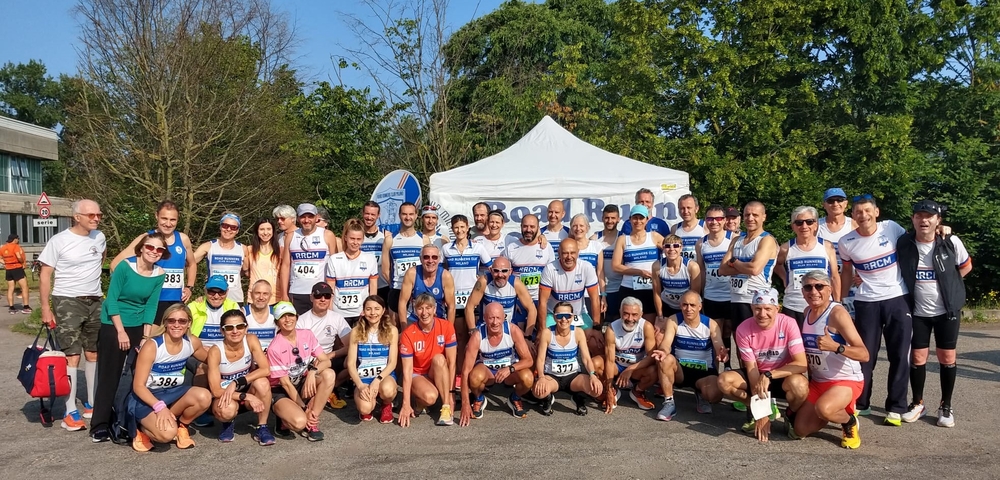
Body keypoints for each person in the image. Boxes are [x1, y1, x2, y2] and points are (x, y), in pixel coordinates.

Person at [837, 195, 912, 424]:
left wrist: (941, 230)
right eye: (858, 212)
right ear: (853, 215)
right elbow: (847, 272)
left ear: (876, 212)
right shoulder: (846, 242)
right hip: (866, 302)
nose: (863, 216)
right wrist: (839, 300)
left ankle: (896, 407)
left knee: (899, 355)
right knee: (864, 356)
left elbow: (917, 243)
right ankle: (861, 402)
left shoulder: (892, 228)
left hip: (897, 298)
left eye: (868, 211)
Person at [898, 199, 972, 427]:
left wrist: (951, 287)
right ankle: (918, 403)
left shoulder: (950, 241)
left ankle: (946, 406)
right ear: (913, 219)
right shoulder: (904, 243)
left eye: (929, 216)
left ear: (938, 220)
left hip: (946, 312)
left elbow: (966, 266)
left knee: (947, 358)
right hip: (918, 311)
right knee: (918, 358)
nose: (924, 220)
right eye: (919, 216)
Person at [89, 233, 166, 442]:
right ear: (141, 248)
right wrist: (120, 331)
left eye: (159, 250)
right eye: (150, 247)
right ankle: (100, 423)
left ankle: (127, 420)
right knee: (110, 375)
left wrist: (145, 336)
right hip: (114, 323)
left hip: (138, 325)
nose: (154, 252)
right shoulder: (125, 267)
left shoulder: (160, 273)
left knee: (136, 375)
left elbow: (151, 305)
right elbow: (111, 299)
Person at [38, 199, 106, 431]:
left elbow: (100, 259)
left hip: (95, 300)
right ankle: (70, 410)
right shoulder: (59, 240)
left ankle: (92, 403)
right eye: (91, 215)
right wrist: (46, 308)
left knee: (93, 352)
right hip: (67, 300)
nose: (96, 218)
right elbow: (45, 274)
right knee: (72, 355)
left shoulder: (100, 237)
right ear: (77, 217)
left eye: (99, 215)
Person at [789, 271, 868, 449]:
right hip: (819, 382)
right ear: (802, 292)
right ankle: (835, 409)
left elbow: (864, 354)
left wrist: (836, 347)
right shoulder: (807, 311)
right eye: (808, 287)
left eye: (819, 286)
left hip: (846, 380)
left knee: (824, 409)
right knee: (800, 430)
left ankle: (849, 422)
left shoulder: (837, 314)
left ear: (830, 289)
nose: (814, 291)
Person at [717, 288, 808, 442]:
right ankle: (753, 408)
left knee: (800, 385)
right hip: (757, 374)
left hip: (781, 374)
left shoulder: (789, 323)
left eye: (767, 309)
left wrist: (769, 375)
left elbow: (801, 364)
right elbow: (751, 369)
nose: (762, 314)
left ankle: (790, 414)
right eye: (757, 309)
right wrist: (761, 410)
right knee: (724, 381)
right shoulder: (743, 329)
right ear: (752, 308)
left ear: (777, 309)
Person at [127, 304, 211, 451]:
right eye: (171, 321)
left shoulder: (192, 342)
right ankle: (141, 429)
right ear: (165, 323)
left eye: (182, 321)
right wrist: (159, 407)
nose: (176, 325)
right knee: (166, 435)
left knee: (204, 396)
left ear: (189, 323)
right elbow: (138, 386)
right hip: (146, 397)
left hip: (173, 393)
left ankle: (182, 426)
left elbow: (212, 360)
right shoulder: (152, 346)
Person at [111, 200, 197, 323]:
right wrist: (135, 289)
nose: (168, 224)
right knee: (149, 339)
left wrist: (189, 287)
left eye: (172, 220)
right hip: (151, 301)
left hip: (176, 300)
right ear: (156, 216)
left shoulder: (183, 239)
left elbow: (192, 263)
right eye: (164, 218)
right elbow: (115, 264)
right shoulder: (146, 238)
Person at [266, 301, 336, 441]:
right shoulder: (274, 347)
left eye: (290, 315)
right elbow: (285, 384)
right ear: (277, 322)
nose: (287, 320)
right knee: (299, 422)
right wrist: (305, 408)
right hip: (281, 390)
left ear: (296, 317)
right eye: (282, 316)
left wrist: (312, 371)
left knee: (329, 374)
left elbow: (326, 361)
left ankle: (312, 422)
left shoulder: (307, 335)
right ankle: (286, 418)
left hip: (301, 382)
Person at [458, 302, 535, 425]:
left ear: (504, 317)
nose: (495, 322)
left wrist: (510, 369)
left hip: (509, 372)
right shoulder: (477, 336)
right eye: (491, 318)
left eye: (498, 318)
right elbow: (465, 370)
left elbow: (528, 360)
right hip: (487, 372)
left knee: (528, 378)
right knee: (474, 377)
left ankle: (515, 398)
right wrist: (465, 404)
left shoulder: (513, 330)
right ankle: (478, 398)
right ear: (484, 318)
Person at [205, 309, 275, 445]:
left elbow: (265, 369)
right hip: (227, 396)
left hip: (247, 389)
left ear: (246, 327)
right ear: (222, 331)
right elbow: (215, 390)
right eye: (229, 328)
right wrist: (246, 396)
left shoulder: (251, 339)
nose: (235, 331)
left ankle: (262, 427)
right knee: (227, 410)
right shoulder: (215, 351)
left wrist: (237, 382)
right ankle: (227, 423)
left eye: (240, 326)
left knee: (263, 383)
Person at [657, 292, 728, 420]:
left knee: (715, 395)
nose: (688, 309)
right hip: (680, 371)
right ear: (680, 305)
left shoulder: (711, 324)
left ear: (700, 307)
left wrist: (721, 354)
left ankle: (700, 392)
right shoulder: (674, 320)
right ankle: (669, 403)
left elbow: (719, 346)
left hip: (704, 372)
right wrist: (662, 350)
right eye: (685, 305)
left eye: (692, 305)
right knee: (665, 359)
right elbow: (666, 343)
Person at [594, 296, 664, 414]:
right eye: (626, 314)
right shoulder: (612, 328)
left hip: (637, 368)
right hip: (617, 366)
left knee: (657, 368)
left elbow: (651, 357)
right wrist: (609, 388)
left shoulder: (646, 327)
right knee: (595, 363)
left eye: (634, 314)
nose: (630, 318)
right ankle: (612, 391)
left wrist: (631, 369)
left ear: (641, 314)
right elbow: (610, 361)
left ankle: (637, 392)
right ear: (620, 312)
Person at [718, 201, 778, 340]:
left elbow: (755, 269)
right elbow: (722, 269)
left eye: (755, 215)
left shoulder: (766, 240)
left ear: (764, 217)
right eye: (747, 215)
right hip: (736, 298)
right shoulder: (736, 240)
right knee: (739, 341)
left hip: (756, 299)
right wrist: (745, 266)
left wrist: (734, 262)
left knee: (756, 343)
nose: (750, 218)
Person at [533, 302, 603, 416]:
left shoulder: (578, 332)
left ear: (573, 317)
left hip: (573, 376)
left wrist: (593, 375)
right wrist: (541, 377)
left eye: (568, 316)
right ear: (555, 317)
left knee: (596, 390)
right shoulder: (547, 332)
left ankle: (578, 398)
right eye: (559, 316)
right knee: (538, 392)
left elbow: (586, 359)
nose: (564, 319)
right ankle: (547, 399)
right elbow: (540, 359)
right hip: (552, 376)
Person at [399, 293, 458, 427]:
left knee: (439, 358)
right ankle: (419, 401)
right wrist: (406, 404)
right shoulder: (408, 333)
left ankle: (446, 407)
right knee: (430, 397)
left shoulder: (447, 326)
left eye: (428, 308)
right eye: (420, 308)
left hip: (435, 370)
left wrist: (452, 394)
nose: (424, 312)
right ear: (415, 311)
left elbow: (452, 363)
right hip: (417, 373)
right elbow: (407, 371)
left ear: (435, 309)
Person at [775, 206, 840, 329]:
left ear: (816, 225)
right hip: (794, 306)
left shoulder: (826, 246)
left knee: (822, 345)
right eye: (799, 222)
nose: (804, 226)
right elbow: (776, 265)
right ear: (793, 226)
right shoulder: (785, 248)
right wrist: (784, 278)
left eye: (809, 222)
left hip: (822, 306)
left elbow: (835, 276)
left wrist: (837, 304)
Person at [295, 282, 352, 409]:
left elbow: (350, 346)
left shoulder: (336, 318)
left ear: (331, 298)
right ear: (311, 297)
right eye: (318, 296)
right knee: (325, 370)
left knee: (353, 360)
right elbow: (297, 350)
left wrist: (330, 355)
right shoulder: (302, 321)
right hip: (309, 360)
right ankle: (320, 392)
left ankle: (331, 389)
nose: (322, 299)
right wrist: (316, 358)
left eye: (326, 296)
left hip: (328, 357)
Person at [279, 203, 339, 314]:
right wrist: (284, 294)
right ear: (298, 218)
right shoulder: (291, 236)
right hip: (297, 292)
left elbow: (335, 267)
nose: (306, 220)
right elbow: (285, 266)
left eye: (310, 216)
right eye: (303, 217)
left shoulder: (327, 235)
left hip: (321, 293)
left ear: (316, 218)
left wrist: (333, 292)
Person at [346, 295, 398, 423]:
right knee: (365, 409)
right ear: (363, 311)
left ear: (383, 310)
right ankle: (369, 401)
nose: (373, 313)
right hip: (363, 378)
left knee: (387, 391)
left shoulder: (392, 330)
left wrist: (377, 380)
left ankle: (386, 405)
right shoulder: (355, 331)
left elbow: (392, 363)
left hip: (384, 376)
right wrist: (360, 385)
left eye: (377, 309)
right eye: (368, 309)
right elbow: (351, 364)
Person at [696, 204, 735, 367]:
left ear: (724, 220)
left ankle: (728, 366)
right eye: (710, 219)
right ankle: (713, 368)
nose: (714, 222)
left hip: (732, 294)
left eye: (718, 218)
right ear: (706, 221)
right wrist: (699, 294)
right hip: (712, 295)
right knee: (714, 332)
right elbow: (701, 271)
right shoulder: (701, 243)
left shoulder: (734, 239)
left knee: (730, 331)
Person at [505, 214, 555, 333]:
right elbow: (504, 276)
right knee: (518, 335)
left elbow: (554, 275)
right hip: (518, 301)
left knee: (542, 334)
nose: (528, 230)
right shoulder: (511, 248)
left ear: (538, 228)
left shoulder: (546, 247)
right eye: (525, 226)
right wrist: (511, 300)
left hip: (541, 300)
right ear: (521, 227)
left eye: (532, 227)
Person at [613, 205, 663, 319]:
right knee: (628, 323)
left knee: (649, 326)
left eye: (641, 218)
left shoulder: (654, 236)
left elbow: (672, 251)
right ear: (630, 219)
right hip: (629, 287)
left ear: (647, 220)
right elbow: (615, 266)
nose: (638, 221)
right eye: (635, 218)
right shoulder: (623, 239)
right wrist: (639, 272)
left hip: (650, 289)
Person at [326, 219, 379, 325]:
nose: (355, 242)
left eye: (359, 239)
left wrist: (369, 309)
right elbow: (330, 289)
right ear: (345, 238)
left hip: (361, 312)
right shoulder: (334, 259)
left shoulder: (370, 258)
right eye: (352, 238)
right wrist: (330, 312)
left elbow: (373, 289)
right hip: (339, 313)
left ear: (363, 239)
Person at [465, 256, 537, 334]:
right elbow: (469, 306)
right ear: (491, 271)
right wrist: (472, 330)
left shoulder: (516, 284)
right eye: (496, 271)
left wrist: (527, 336)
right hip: (485, 329)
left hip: (508, 330)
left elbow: (532, 309)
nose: (500, 275)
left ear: (510, 271)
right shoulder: (483, 281)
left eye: (504, 271)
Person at [442, 215, 492, 323]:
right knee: (458, 333)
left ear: (468, 227)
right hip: (453, 296)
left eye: (462, 227)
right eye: (456, 227)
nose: (459, 230)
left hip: (473, 295)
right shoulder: (446, 248)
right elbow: (439, 272)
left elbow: (491, 269)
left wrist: (483, 281)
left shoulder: (478, 247)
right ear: (452, 229)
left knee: (473, 332)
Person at [383, 202, 428, 320]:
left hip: (418, 291)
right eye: (404, 214)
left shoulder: (424, 239)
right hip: (397, 290)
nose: (408, 217)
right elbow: (385, 270)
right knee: (395, 329)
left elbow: (429, 267)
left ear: (416, 215)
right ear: (399, 215)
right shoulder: (390, 240)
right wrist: (397, 285)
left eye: (411, 214)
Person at [193, 213, 246, 303]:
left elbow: (248, 271)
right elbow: (188, 262)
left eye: (233, 227)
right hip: (213, 298)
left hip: (235, 299)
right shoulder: (208, 246)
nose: (228, 229)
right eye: (225, 226)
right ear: (220, 227)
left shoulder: (243, 249)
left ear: (237, 230)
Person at [397, 244, 456, 326]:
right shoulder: (412, 273)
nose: (430, 261)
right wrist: (404, 328)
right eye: (426, 257)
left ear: (439, 259)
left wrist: (449, 330)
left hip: (438, 320)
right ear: (420, 259)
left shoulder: (446, 276)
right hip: (414, 319)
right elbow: (402, 302)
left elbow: (451, 307)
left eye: (434, 257)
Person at [653, 234, 703, 323]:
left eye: (675, 246)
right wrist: (660, 316)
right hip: (667, 306)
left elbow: (694, 295)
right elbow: (656, 293)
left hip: (686, 307)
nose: (671, 249)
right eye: (667, 246)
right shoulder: (657, 266)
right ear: (663, 249)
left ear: (681, 248)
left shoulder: (692, 267)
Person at [189, 275, 240, 352]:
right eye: (211, 292)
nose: (216, 296)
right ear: (205, 290)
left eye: (221, 292)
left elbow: (240, 334)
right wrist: (201, 349)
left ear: (227, 292)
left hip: (226, 352)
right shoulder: (194, 307)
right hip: (199, 351)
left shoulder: (233, 306)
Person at [569, 214, 606, 318]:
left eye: (581, 225)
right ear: (571, 228)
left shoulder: (596, 246)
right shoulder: (567, 247)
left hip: (592, 295)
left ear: (587, 228)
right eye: (575, 226)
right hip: (573, 295)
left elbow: (600, 273)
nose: (578, 229)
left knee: (594, 329)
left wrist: (603, 296)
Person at [593, 204, 623, 321]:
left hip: (619, 288)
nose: (609, 221)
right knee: (599, 323)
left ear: (618, 219)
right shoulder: (595, 238)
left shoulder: (623, 238)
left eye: (613, 218)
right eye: (607, 218)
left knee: (617, 322)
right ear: (602, 218)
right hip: (599, 289)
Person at [243, 218, 279, 305]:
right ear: (257, 231)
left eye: (269, 229)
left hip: (276, 298)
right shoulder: (249, 250)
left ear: (273, 231)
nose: (265, 233)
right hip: (254, 298)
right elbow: (246, 272)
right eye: (262, 229)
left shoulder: (280, 251)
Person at [361, 201, 390, 300]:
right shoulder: (356, 236)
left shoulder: (386, 236)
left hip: (382, 285)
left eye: (373, 214)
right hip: (362, 286)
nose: (369, 217)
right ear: (362, 213)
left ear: (378, 215)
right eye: (367, 213)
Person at [243, 280, 276, 350]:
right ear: (251, 294)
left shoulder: (276, 313)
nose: (261, 297)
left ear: (270, 296)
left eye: (265, 294)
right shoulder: (243, 313)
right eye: (257, 293)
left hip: (271, 356)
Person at [671, 194, 704, 262]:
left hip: (699, 270)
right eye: (682, 208)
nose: (686, 211)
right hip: (682, 270)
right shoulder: (675, 229)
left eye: (689, 208)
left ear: (696, 209)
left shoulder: (705, 226)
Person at [1, 233, 29, 314]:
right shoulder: (16, 246)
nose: (18, 240)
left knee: (10, 288)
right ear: (15, 239)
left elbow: (0, 258)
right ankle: (26, 307)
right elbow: (18, 256)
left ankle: (11, 308)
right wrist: (21, 262)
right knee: (24, 287)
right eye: (18, 239)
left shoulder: (3, 247)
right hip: (17, 268)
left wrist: (5, 263)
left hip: (8, 269)